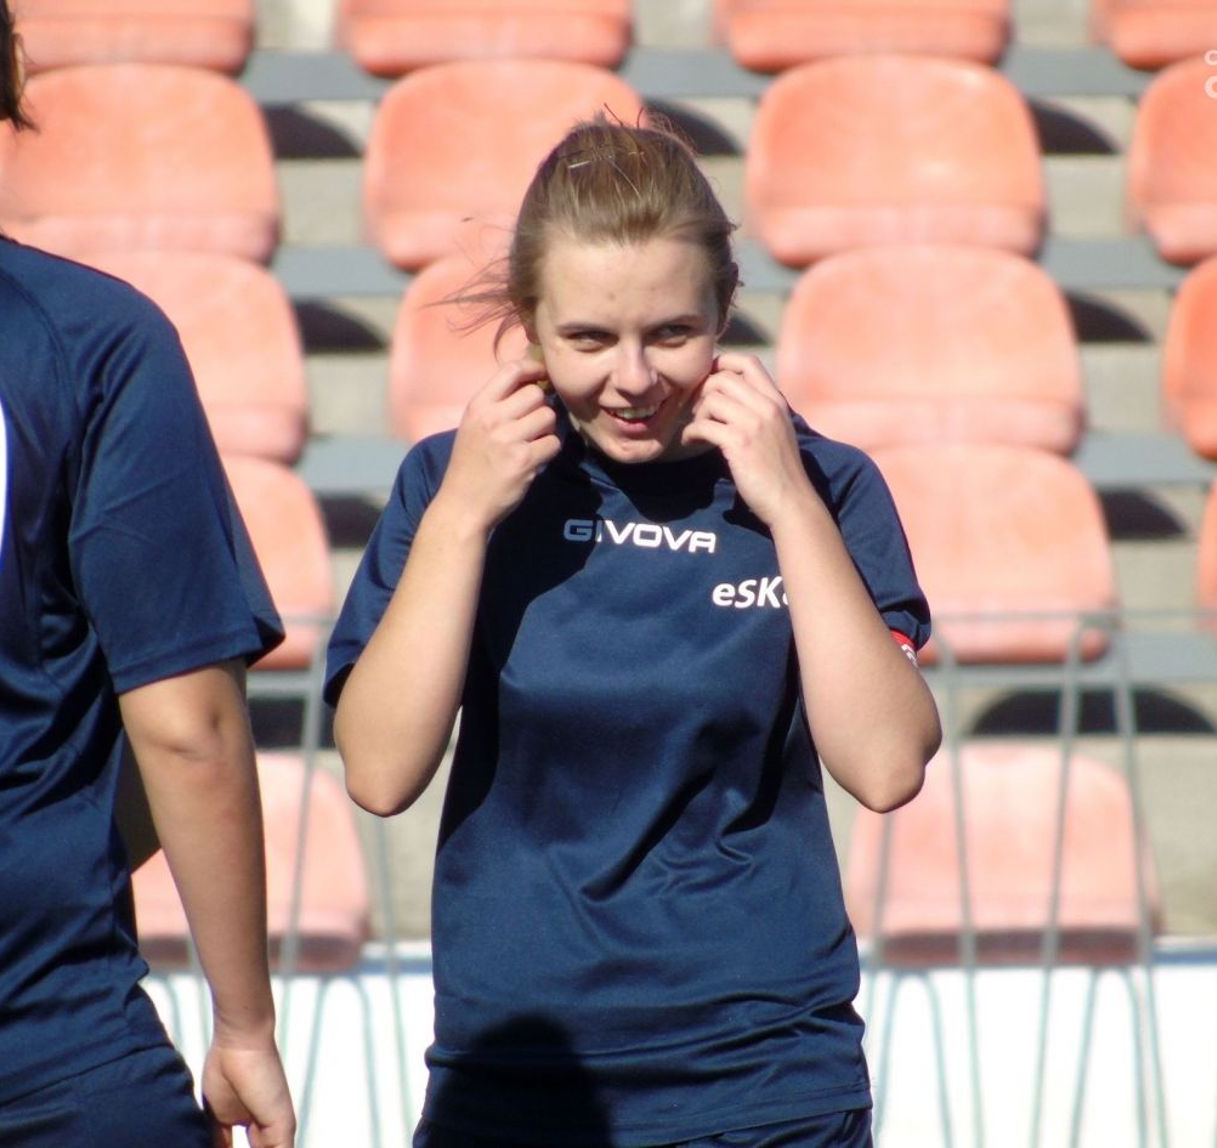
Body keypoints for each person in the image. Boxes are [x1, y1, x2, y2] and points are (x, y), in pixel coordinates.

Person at [327, 115, 942, 1147]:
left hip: (765, 1077)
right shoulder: (454, 484)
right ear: (528, 323)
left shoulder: (823, 485)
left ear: (725, 309)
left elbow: (884, 766)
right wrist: (464, 516)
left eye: (671, 333)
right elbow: (380, 771)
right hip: (517, 1074)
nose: (634, 378)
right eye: (587, 338)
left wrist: (788, 505)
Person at [0, 3, 296, 1145]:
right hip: (40, 1052)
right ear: (4, 83)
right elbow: (187, 728)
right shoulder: (95, 337)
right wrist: (243, 1024)